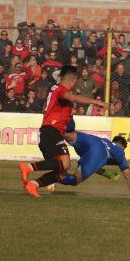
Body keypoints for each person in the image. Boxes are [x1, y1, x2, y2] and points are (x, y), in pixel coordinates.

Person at [18, 65, 108, 198]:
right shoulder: (61, 90)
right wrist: (96, 102)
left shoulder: (55, 90)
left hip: (50, 132)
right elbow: (73, 98)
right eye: (74, 82)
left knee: (62, 173)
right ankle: (28, 167)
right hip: (51, 131)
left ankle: (33, 185)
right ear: (72, 80)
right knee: (65, 163)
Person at [48, 129, 130, 195]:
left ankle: (52, 129)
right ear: (121, 145)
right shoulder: (120, 152)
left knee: (69, 134)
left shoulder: (105, 141)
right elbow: (128, 176)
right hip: (99, 150)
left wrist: (106, 173)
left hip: (94, 140)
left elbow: (92, 164)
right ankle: (53, 178)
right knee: (75, 180)